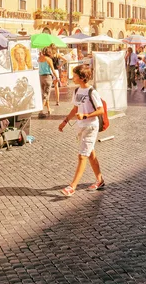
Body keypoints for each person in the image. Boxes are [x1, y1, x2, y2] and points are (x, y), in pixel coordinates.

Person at [58, 65, 104, 197]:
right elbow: (75, 108)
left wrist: (86, 115)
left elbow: (101, 110)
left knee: (82, 155)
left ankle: (72, 187)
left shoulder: (92, 92)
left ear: (82, 77)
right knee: (90, 153)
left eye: (75, 75)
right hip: (80, 126)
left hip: (90, 126)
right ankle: (100, 180)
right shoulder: (77, 90)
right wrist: (65, 121)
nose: (73, 77)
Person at [38, 48, 58, 117]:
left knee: (44, 94)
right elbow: (53, 70)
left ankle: (49, 109)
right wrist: (57, 77)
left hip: (40, 77)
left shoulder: (39, 58)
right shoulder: (49, 59)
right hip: (47, 77)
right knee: (46, 95)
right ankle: (41, 111)